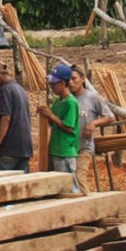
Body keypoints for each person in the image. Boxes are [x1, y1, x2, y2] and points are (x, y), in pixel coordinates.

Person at [44, 64, 83, 193]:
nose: (52, 87)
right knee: (58, 188)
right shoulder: (58, 101)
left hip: (65, 151)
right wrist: (46, 115)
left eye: (54, 84)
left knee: (68, 187)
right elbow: (53, 122)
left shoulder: (71, 102)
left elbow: (68, 127)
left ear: (62, 83)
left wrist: (51, 115)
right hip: (56, 149)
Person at [0, 61, 32, 171]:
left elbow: (6, 118)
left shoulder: (5, 90)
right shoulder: (20, 89)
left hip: (10, 148)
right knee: (20, 186)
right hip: (25, 149)